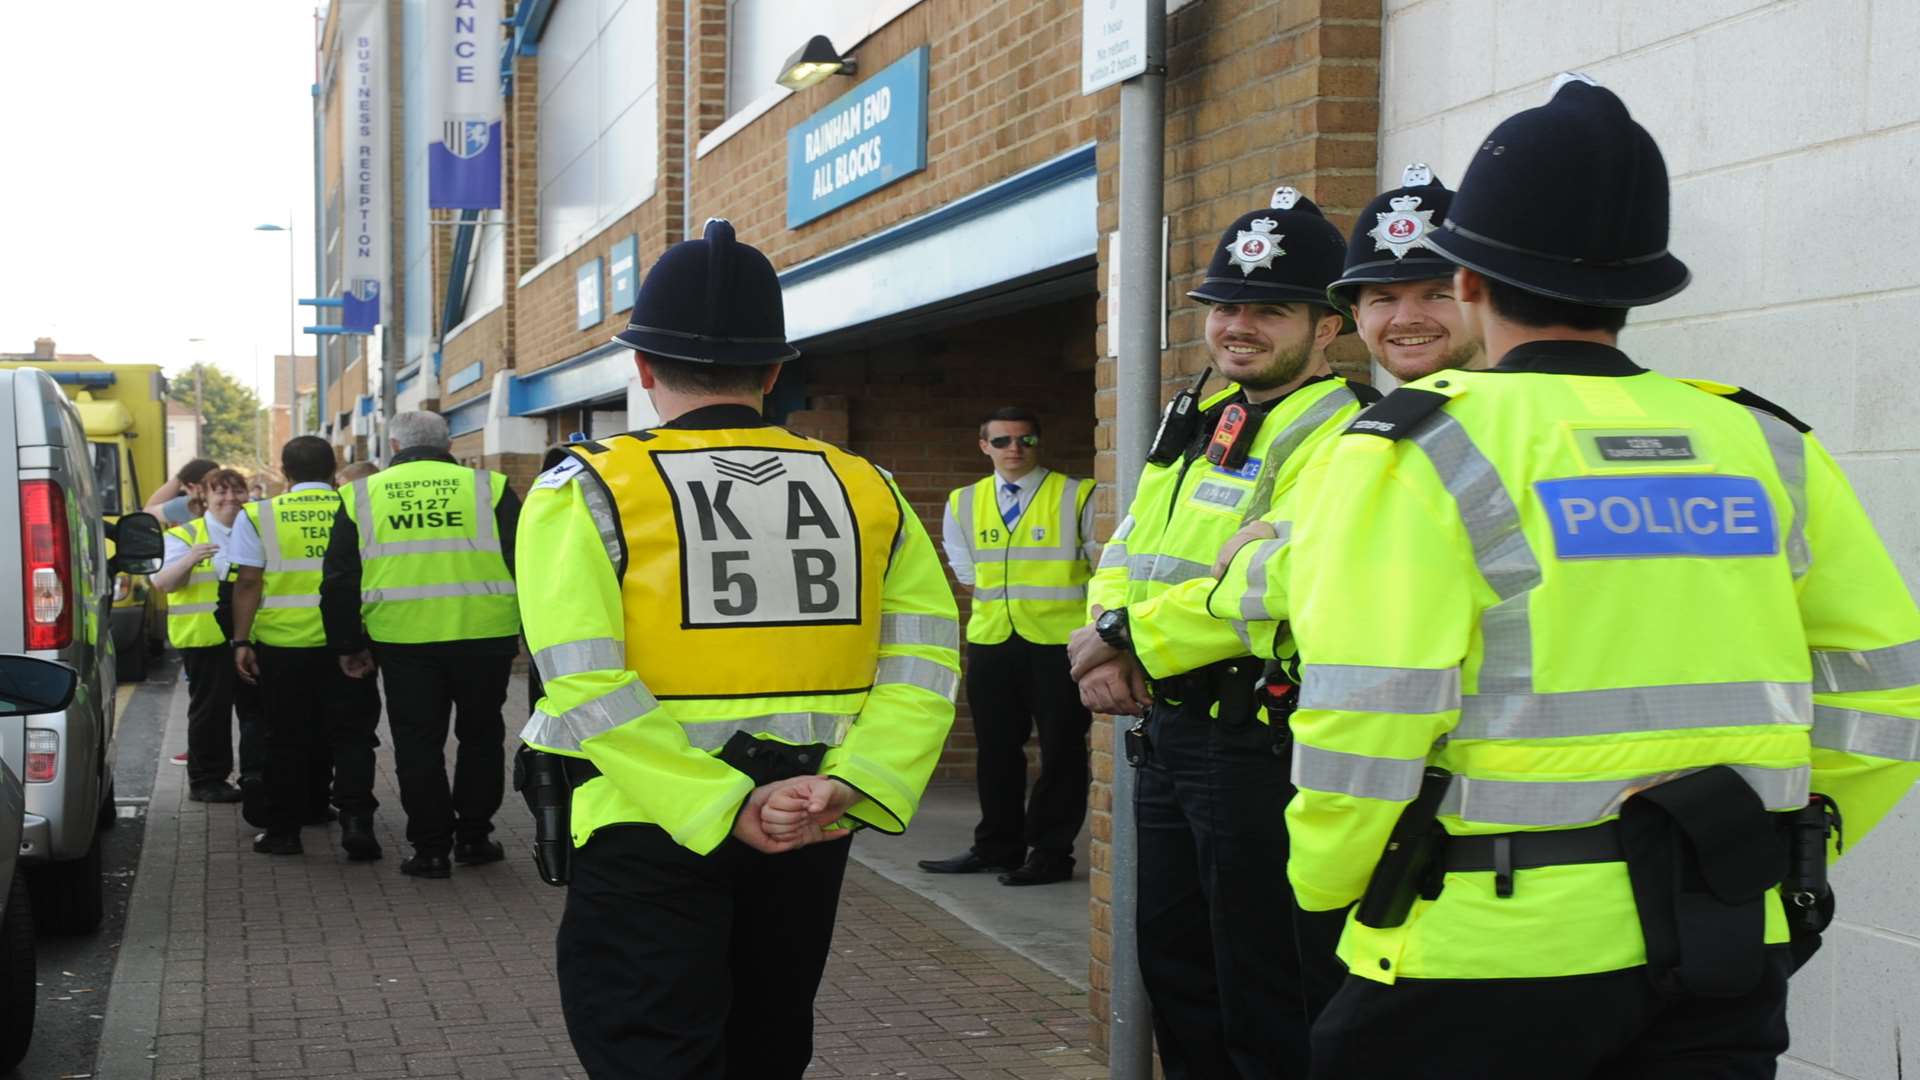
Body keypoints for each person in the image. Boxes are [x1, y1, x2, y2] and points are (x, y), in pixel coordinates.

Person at [1280, 76, 1920, 1079]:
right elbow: (1886, 691)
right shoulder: (1765, 442)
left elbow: (1365, 717)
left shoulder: (1413, 449)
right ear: (1637, 287)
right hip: (1718, 943)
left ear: (1468, 285)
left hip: (1477, 955)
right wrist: (1776, 851)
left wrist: (1327, 886)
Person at [516, 218, 959, 1078]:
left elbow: (584, 682)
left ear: (642, 369)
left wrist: (718, 806)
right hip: (809, 820)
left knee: (651, 1050)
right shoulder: (867, 487)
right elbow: (926, 663)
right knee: (768, 1042)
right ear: (774, 369)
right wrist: (852, 782)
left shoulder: (588, 488)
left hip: (646, 821)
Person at [1065, 187, 1379, 1079]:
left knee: (1265, 984)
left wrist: (1129, 635)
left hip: (1255, 743)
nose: (1237, 326)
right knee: (1177, 968)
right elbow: (1132, 542)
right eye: (1225, 306)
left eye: (1268, 310)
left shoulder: (1344, 431)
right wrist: (1107, 632)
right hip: (1169, 730)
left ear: (1328, 326)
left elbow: (1271, 590)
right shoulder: (1202, 416)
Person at [321, 411, 519, 878]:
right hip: (485, 634)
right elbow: (524, 558)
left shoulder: (360, 494)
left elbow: (340, 580)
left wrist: (347, 644)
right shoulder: (488, 487)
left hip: (403, 638)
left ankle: (430, 850)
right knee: (482, 736)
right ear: (448, 445)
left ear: (393, 446)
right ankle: (474, 837)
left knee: (417, 744)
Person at [918, 406, 1095, 886]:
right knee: (996, 748)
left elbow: (1099, 563)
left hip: (1059, 641)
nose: (1014, 449)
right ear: (984, 446)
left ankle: (1052, 854)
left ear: (1039, 443)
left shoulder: (1077, 494)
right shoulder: (963, 500)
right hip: (993, 638)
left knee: (1061, 749)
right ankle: (996, 847)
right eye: (1002, 441)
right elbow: (963, 564)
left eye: (1025, 440)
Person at [231, 437, 382, 861]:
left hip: (283, 645)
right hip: (350, 643)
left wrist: (242, 641)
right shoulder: (354, 506)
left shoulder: (260, 514)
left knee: (285, 740)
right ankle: (357, 822)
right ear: (334, 471)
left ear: (284, 472)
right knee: (353, 737)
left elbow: (248, 581)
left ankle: (283, 832)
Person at [1327, 163, 1486, 384]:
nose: (1406, 319)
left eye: (1436, 295)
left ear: (1486, 307)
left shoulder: (1539, 415)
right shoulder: (1363, 420)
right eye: (1384, 299)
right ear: (1358, 319)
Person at [152, 468, 251, 803]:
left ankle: (255, 775)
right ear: (204, 497)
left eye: (237, 491)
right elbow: (163, 583)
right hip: (205, 639)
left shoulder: (256, 529)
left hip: (251, 638)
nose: (230, 499)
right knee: (211, 713)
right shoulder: (183, 536)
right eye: (220, 492)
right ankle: (207, 780)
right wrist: (192, 559)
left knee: (256, 712)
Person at [145, 457, 219, 527]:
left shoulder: (187, 505)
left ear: (192, 487)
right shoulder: (228, 500)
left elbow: (148, 514)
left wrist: (179, 477)